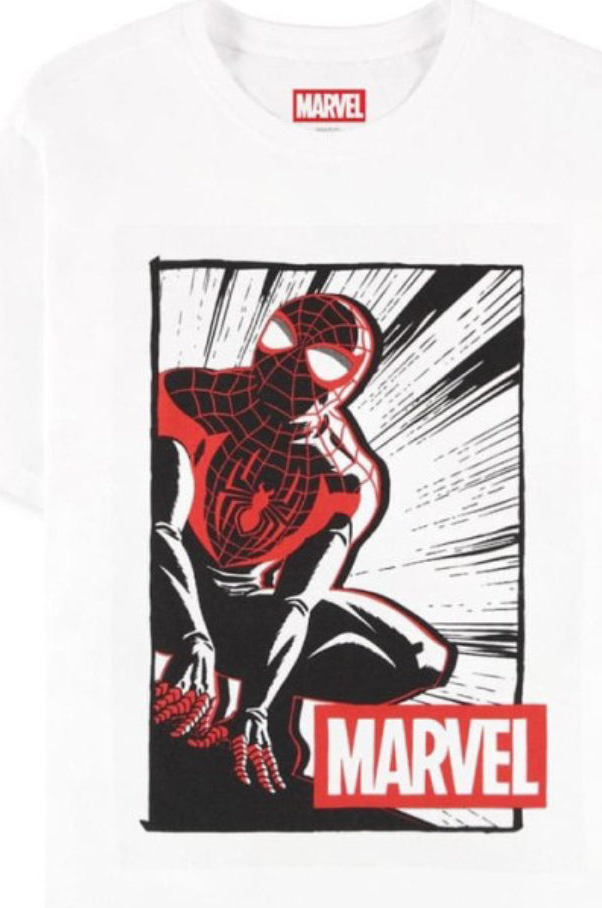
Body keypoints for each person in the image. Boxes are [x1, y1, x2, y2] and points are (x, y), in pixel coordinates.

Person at [150, 293, 455, 792]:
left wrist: (257, 709)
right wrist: (191, 639)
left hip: (237, 609)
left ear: (349, 380)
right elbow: (161, 527)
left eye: (322, 359)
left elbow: (297, 601)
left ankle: (248, 723)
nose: (290, 366)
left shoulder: (347, 477)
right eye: (284, 340)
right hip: (155, 588)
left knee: (421, 657)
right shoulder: (187, 399)